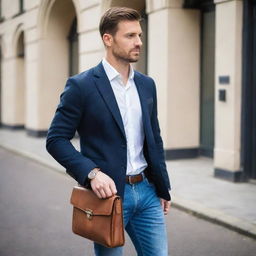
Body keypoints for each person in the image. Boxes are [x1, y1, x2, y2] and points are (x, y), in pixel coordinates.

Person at [46, 6, 171, 256]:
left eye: (140, 35)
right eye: (130, 36)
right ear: (108, 39)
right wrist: (91, 174)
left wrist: (163, 186)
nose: (139, 42)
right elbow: (56, 139)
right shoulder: (81, 86)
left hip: (147, 192)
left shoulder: (147, 85)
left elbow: (154, 138)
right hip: (108, 198)